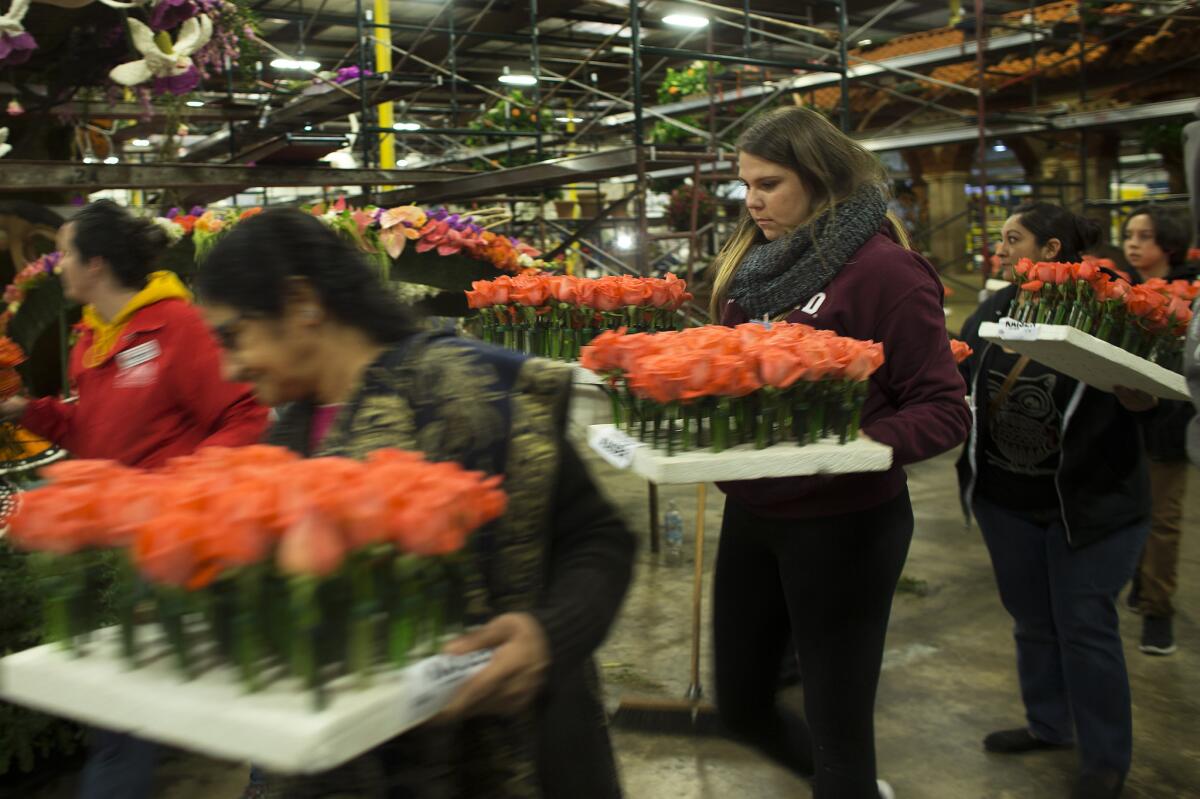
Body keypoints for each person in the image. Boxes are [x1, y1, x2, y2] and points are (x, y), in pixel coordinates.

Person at [194, 209, 635, 799]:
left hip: (510, 756)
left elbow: (599, 537)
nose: (228, 367)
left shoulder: (478, 391)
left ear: (300, 302)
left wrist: (546, 636)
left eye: (232, 335)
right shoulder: (285, 443)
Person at [707, 106, 971, 799]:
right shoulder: (753, 267)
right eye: (745, 184)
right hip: (755, 510)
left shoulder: (886, 273)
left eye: (768, 184)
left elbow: (944, 410)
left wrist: (846, 446)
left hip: (845, 523)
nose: (751, 201)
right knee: (741, 706)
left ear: (819, 179)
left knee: (839, 734)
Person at [0, 199, 269, 799]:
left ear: (96, 263)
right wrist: (32, 412)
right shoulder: (93, 339)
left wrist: (176, 490)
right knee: (144, 694)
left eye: (64, 253)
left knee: (126, 708)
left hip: (173, 543)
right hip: (116, 543)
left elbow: (246, 414)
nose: (57, 265)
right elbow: (94, 428)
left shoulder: (177, 327)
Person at [957, 202, 1156, 799]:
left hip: (1091, 505)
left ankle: (1104, 760)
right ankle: (1049, 725)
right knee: (1033, 622)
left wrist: (1143, 400)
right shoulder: (996, 307)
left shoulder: (1107, 307)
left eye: (1011, 238)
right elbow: (965, 374)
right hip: (1006, 497)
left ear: (1049, 251)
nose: (999, 249)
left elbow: (1160, 393)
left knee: (1085, 628)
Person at [1121, 205, 1195, 655]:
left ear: (1166, 242)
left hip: (1168, 424)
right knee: (1129, 510)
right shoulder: (1120, 290)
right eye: (1129, 234)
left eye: (1144, 235)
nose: (1132, 243)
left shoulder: (1192, 295)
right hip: (1123, 423)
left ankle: (1158, 611)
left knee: (1162, 520)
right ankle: (1138, 580)